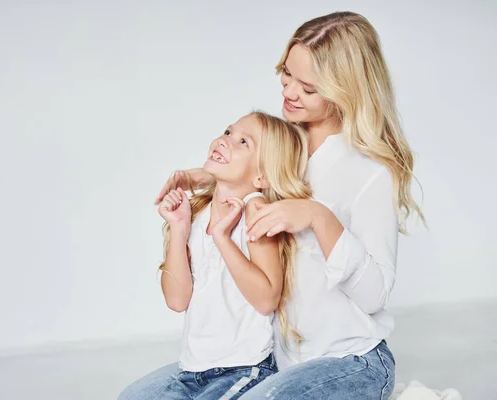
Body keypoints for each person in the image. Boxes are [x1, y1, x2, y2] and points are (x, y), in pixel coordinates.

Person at [120, 11, 424, 400]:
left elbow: (374, 295)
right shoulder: (287, 145)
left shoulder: (368, 173)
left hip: (350, 360)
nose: (289, 91)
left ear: (346, 90)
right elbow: (258, 174)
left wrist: (317, 216)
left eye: (308, 88)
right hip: (278, 361)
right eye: (287, 73)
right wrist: (210, 176)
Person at [153, 111, 311, 399]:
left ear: (261, 175)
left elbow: (266, 299)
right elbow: (177, 300)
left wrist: (222, 239)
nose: (225, 141)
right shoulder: (198, 213)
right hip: (191, 371)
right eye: (227, 132)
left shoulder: (255, 210)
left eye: (243, 142)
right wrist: (179, 228)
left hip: (243, 369)